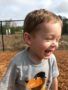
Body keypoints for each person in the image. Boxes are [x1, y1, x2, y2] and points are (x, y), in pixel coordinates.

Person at [0, 9, 63, 90]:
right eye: (49, 39)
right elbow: (7, 86)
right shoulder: (17, 62)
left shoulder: (51, 59)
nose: (55, 44)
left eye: (57, 39)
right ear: (29, 39)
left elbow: (54, 79)